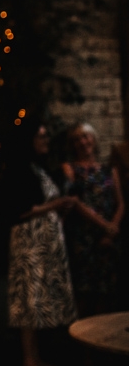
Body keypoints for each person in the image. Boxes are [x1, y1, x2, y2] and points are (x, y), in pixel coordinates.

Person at [0, 120, 78, 366]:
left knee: (40, 299)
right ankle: (29, 362)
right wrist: (54, 206)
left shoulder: (38, 169)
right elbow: (19, 209)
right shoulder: (18, 172)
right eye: (40, 136)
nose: (45, 141)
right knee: (29, 301)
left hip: (45, 241)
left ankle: (38, 358)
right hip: (29, 241)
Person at [62, 122, 124, 317]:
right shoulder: (70, 168)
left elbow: (120, 202)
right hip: (84, 237)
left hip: (108, 238)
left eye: (86, 136)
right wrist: (104, 225)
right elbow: (75, 202)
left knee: (106, 294)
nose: (83, 142)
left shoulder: (109, 170)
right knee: (84, 294)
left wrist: (113, 227)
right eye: (77, 139)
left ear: (94, 139)